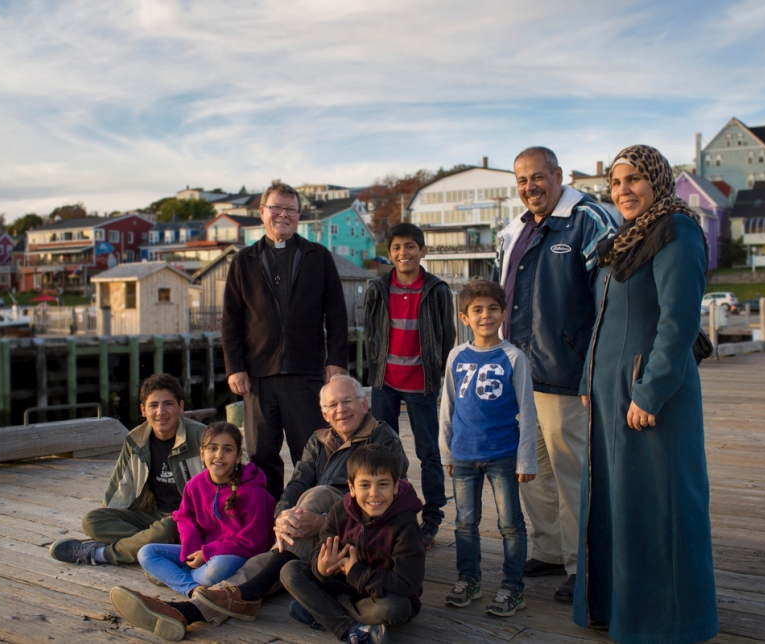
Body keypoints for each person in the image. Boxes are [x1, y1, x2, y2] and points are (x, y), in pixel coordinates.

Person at [106, 376, 409, 639]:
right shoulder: (319, 440)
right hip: (315, 538)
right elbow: (296, 484)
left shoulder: (383, 440)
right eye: (332, 406)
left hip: (357, 531)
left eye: (348, 402)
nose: (341, 410)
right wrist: (281, 518)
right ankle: (218, 600)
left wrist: (324, 519)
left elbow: (386, 498)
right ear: (324, 413)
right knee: (278, 548)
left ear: (365, 404)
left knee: (316, 498)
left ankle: (194, 607)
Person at [574, 145, 718, 643]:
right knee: (619, 505)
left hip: (651, 396)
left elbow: (677, 326)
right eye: (615, 183)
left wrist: (650, 393)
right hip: (610, 396)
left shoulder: (675, 231)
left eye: (634, 179)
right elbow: (606, 320)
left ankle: (670, 620)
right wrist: (588, 380)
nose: (623, 190)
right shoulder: (623, 240)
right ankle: (622, 610)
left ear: (657, 180)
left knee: (661, 507)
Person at [497, 146, 617, 603]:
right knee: (533, 472)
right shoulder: (512, 230)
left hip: (567, 374)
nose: (530, 187)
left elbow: (609, 301)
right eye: (522, 181)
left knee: (573, 476)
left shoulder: (589, 220)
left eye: (538, 177)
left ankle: (580, 562)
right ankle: (548, 550)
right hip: (519, 375)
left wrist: (592, 370)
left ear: (558, 174)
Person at [222, 180, 349, 501]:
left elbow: (336, 315)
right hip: (258, 376)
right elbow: (231, 321)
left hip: (305, 374)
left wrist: (336, 362)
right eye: (276, 208)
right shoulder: (243, 261)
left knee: (310, 455)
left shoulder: (317, 256)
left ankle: (309, 518)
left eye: (290, 209)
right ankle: (268, 524)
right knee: (262, 455)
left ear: (299, 215)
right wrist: (235, 367)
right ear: (262, 212)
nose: (283, 215)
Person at [109, 422, 275, 642]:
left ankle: (172, 577)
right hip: (203, 552)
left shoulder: (252, 492)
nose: (219, 455)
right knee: (146, 553)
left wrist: (207, 553)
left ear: (238, 456)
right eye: (212, 448)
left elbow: (255, 541)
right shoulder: (195, 485)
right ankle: (193, 589)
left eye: (227, 449)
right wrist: (192, 548)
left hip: (236, 555)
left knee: (214, 570)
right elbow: (184, 517)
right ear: (201, 453)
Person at [439, 279, 536, 618]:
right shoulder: (456, 356)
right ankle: (469, 579)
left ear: (504, 313)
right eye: (477, 310)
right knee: (465, 523)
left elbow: (527, 409)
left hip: (502, 455)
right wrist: (446, 453)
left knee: (511, 524)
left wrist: (526, 459)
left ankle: (513, 587)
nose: (486, 315)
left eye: (493, 308)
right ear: (464, 317)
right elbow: (447, 407)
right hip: (463, 455)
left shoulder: (514, 357)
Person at [49, 374, 205, 566]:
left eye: (168, 404)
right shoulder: (136, 440)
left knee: (166, 529)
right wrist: (112, 518)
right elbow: (120, 488)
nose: (160, 411)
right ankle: (151, 546)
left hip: (189, 518)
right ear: (143, 410)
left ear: (180, 406)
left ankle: (102, 554)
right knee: (92, 520)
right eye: (153, 405)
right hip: (152, 515)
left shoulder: (202, 437)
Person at [364, 222, 456, 548]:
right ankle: (391, 513)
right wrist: (374, 369)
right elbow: (370, 335)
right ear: (389, 254)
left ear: (422, 251)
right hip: (384, 382)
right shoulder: (377, 288)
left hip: (422, 382)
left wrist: (439, 375)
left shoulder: (437, 289)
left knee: (428, 452)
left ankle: (431, 518)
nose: (404, 253)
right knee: (382, 452)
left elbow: (448, 336)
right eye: (397, 248)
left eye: (410, 247)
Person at [280, 444, 425, 644]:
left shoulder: (405, 523)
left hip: (383, 595)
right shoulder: (340, 511)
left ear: (395, 486)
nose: (374, 493)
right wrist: (321, 567)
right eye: (365, 485)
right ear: (352, 488)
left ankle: (325, 613)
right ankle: (350, 629)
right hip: (344, 586)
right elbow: (318, 552)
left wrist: (356, 571)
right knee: (291, 571)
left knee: (395, 609)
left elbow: (408, 584)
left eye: (383, 484)